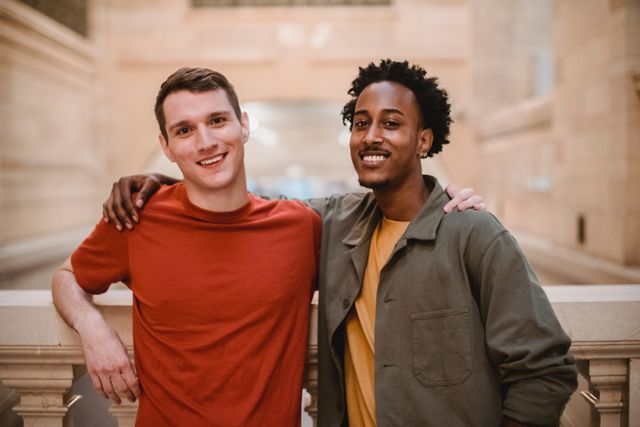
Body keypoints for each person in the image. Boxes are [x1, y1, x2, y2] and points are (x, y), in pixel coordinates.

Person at [104, 60, 577, 426]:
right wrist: (163, 180)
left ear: (423, 140)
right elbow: (243, 210)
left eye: (391, 123)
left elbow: (545, 371)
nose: (371, 136)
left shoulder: (474, 233)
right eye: (360, 123)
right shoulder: (331, 221)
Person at [51, 67, 322, 426]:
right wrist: (91, 327)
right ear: (166, 146)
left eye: (217, 120)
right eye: (184, 130)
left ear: (244, 125)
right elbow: (67, 276)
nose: (205, 141)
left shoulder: (300, 228)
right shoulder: (136, 218)